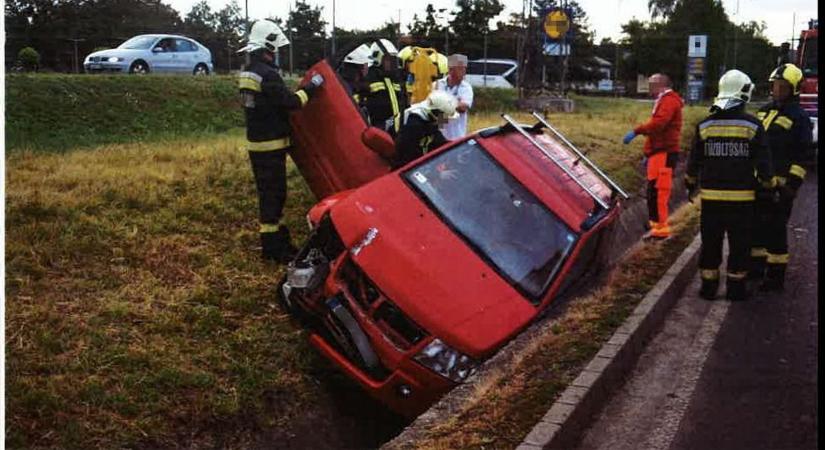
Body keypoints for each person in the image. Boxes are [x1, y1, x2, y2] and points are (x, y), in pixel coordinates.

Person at [237, 19, 324, 262]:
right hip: (270, 144)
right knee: (274, 194)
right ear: (268, 48)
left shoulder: (248, 72)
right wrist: (312, 88)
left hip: (257, 142)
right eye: (275, 50)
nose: (277, 54)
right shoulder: (268, 75)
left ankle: (275, 238)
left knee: (269, 193)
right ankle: (272, 247)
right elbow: (292, 103)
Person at [684, 69, 774, 301]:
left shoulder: (705, 125)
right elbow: (764, 162)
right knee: (740, 245)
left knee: (711, 243)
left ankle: (708, 287)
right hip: (742, 201)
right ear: (745, 93)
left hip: (711, 200)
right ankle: (735, 289)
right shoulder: (753, 125)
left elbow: (694, 160)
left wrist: (690, 183)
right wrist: (769, 185)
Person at [750, 63, 813, 291]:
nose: (777, 90)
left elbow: (804, 154)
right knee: (755, 227)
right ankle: (756, 269)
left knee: (775, 231)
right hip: (758, 183)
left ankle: (775, 278)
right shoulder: (764, 110)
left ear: (793, 89)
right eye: (775, 86)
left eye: (783, 87)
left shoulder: (799, 117)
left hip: (781, 186)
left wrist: (792, 187)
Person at [623, 73, 684, 240]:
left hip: (663, 153)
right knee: (654, 192)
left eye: (651, 84)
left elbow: (658, 124)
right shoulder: (665, 101)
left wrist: (636, 131)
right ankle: (657, 228)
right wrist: (648, 153)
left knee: (658, 192)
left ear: (660, 85)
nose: (648, 88)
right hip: (659, 153)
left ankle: (660, 230)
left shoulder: (669, 101)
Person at [393, 90, 458, 168]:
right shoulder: (414, 124)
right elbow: (408, 157)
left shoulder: (429, 119)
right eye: (445, 117)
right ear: (436, 113)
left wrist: (457, 149)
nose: (446, 121)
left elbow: (439, 141)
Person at [363, 39, 408, 136]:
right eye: (388, 59)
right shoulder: (369, 78)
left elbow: (404, 102)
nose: (391, 62)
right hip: (377, 131)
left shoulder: (396, 78)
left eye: (393, 59)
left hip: (397, 130)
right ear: (377, 58)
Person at [433, 53, 474, 140]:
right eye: (460, 68)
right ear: (451, 69)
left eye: (465, 68)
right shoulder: (437, 84)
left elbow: (463, 108)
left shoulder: (466, 87)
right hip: (439, 135)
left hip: (457, 136)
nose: (464, 71)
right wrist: (455, 102)